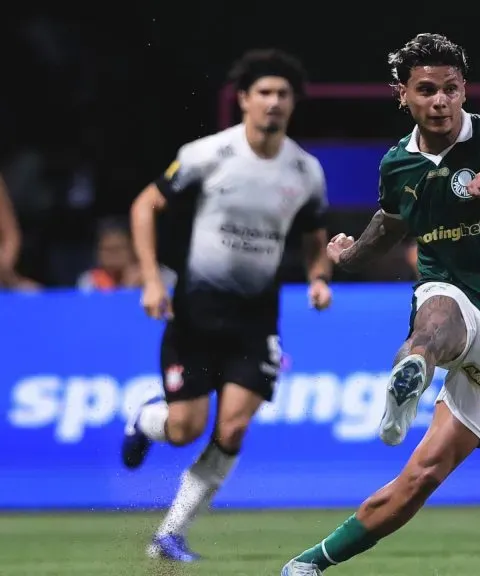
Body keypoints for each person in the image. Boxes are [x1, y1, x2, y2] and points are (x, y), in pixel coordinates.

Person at [280, 33, 480, 576]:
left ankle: (313, 561)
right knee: (436, 319)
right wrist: (350, 257)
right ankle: (412, 374)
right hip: (451, 291)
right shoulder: (397, 164)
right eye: (425, 90)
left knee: (422, 477)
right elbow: (391, 223)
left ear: (464, 90)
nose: (439, 101)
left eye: (449, 89)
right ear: (403, 96)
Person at [121, 48, 333, 562]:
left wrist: (319, 276)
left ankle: (170, 534)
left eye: (283, 94)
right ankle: (144, 421)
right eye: (264, 92)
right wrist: (151, 280)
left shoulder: (305, 171)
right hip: (195, 313)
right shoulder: (208, 153)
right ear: (244, 99)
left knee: (233, 426)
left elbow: (313, 234)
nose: (274, 102)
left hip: (256, 320)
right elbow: (145, 204)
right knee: (184, 429)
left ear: (292, 104)